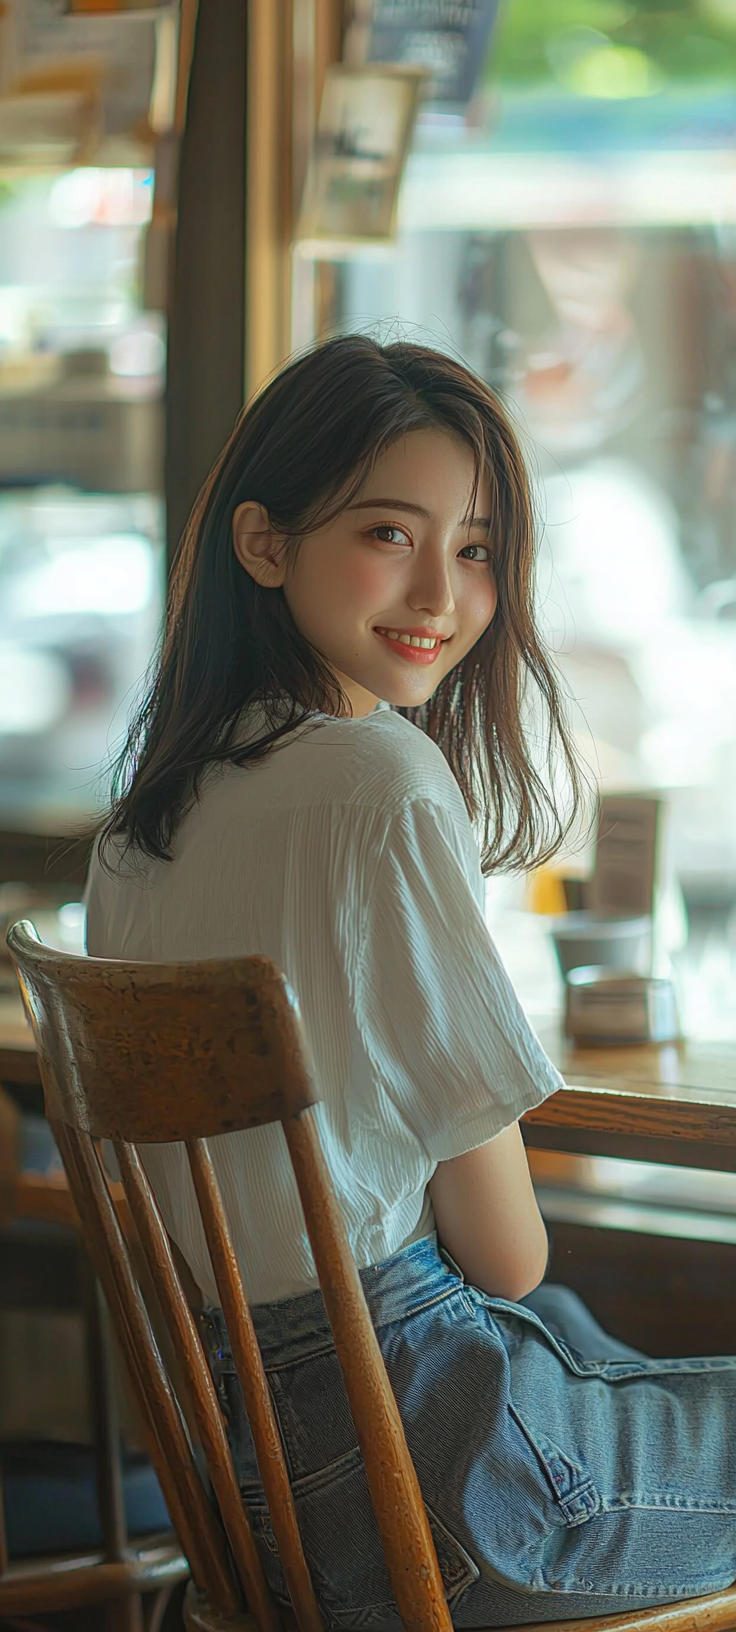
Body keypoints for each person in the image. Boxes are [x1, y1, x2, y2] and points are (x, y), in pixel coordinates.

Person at [85, 337, 736, 1627]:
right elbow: (503, 1253)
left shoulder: (143, 826)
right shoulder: (376, 782)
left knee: (589, 1335)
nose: (444, 588)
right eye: (391, 532)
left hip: (257, 1495)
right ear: (263, 544)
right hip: (432, 1491)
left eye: (479, 546)